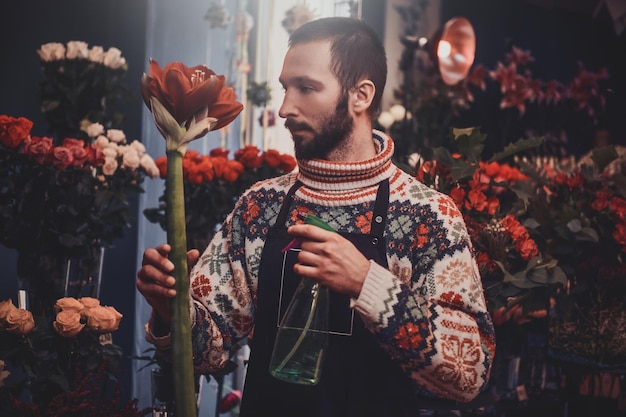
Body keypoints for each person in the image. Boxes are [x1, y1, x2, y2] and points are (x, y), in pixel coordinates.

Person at [137, 16, 495, 417]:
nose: (286, 108)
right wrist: (171, 311)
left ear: (360, 95)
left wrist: (367, 283)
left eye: (306, 88)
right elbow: (208, 350)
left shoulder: (427, 215)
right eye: (286, 88)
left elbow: (470, 372)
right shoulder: (261, 206)